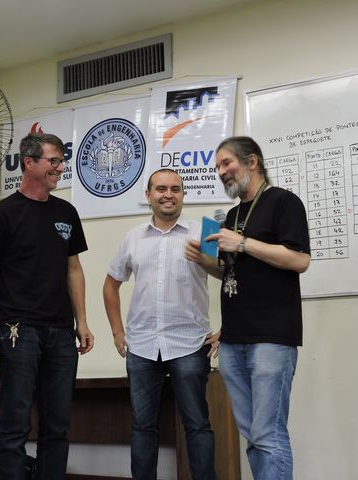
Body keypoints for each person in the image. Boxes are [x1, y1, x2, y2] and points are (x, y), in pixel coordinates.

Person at [0, 132, 94, 480]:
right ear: (29, 163)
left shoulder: (66, 212)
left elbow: (74, 270)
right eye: (53, 161)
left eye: (61, 161)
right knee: (15, 423)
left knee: (58, 424)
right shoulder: (3, 212)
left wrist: (82, 322)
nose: (60, 168)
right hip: (18, 330)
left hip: (61, 333)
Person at [186, 136, 310, 480]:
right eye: (217, 167)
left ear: (252, 161)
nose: (221, 171)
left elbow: (299, 260)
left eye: (226, 163)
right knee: (253, 437)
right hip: (233, 340)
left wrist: (241, 242)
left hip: (271, 337)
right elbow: (234, 273)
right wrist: (205, 261)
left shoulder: (283, 201)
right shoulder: (232, 214)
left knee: (268, 434)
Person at [103, 168, 218, 480]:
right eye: (161, 189)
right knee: (143, 427)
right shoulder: (133, 237)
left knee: (197, 425)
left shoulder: (206, 232)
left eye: (175, 189)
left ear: (183, 194)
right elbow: (111, 284)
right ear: (149, 195)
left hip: (189, 344)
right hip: (141, 346)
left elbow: (231, 278)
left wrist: (228, 330)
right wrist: (117, 331)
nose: (168, 195)